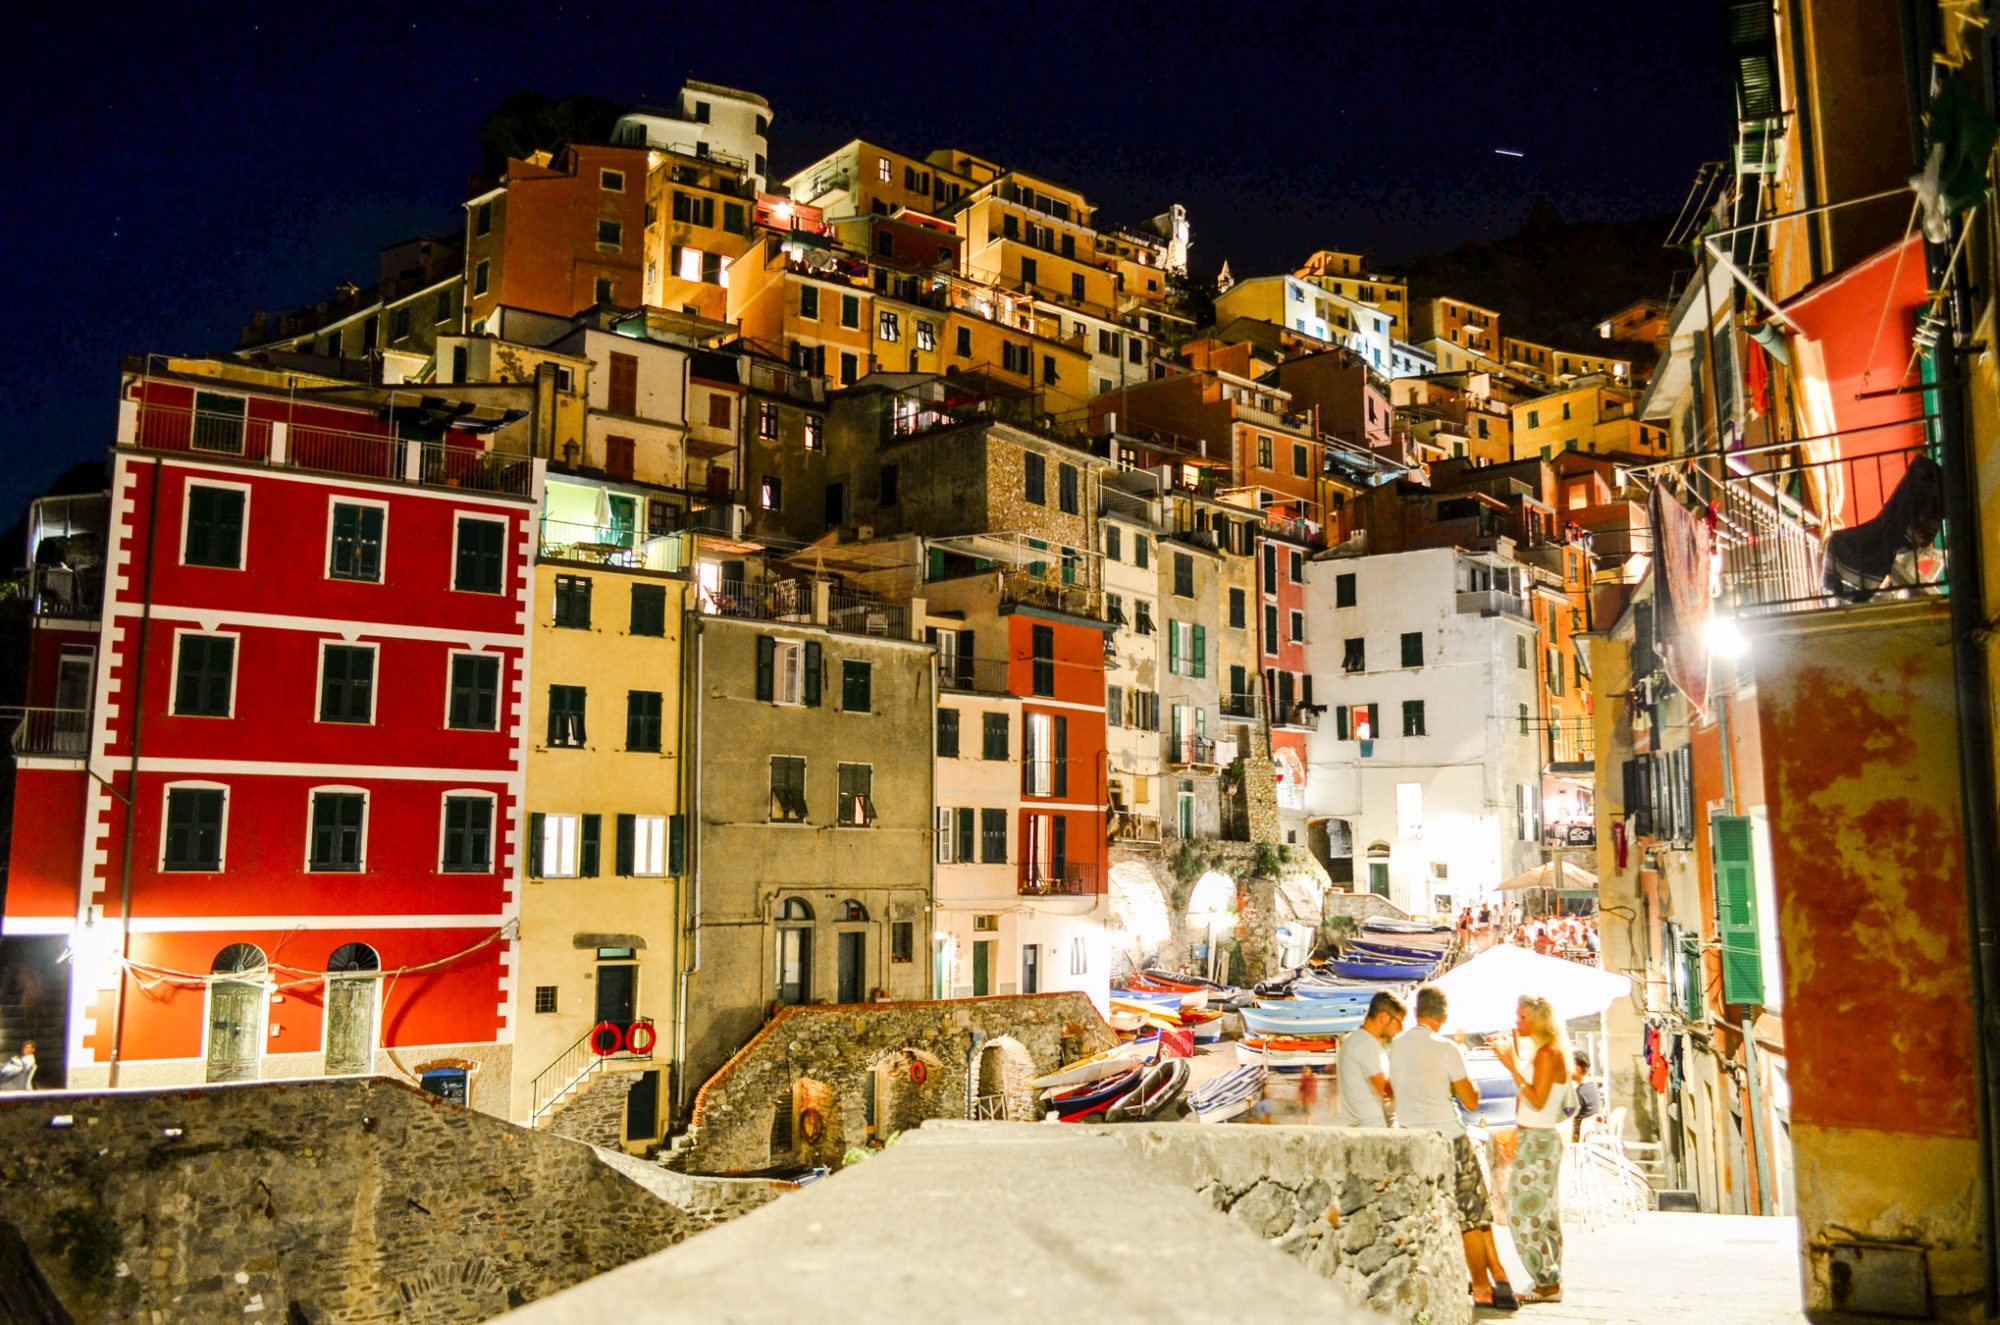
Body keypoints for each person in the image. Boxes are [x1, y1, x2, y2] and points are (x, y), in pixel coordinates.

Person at [1390, 986, 1517, 1311]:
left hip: (1411, 1138)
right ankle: (1481, 1288)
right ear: (1444, 1017)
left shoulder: (1397, 1046)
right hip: (1449, 1137)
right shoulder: (1447, 1048)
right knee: (1471, 1215)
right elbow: (1471, 1099)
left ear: (1417, 1013)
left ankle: (1499, 1276)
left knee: (1469, 1211)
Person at [1495, 997, 1572, 1305]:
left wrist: (1511, 1065)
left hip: (1539, 1143)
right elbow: (1536, 1104)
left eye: (1523, 1017)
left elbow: (1538, 1100)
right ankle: (1548, 1280)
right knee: (1542, 1213)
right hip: (1537, 1139)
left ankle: (1546, 1281)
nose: (1518, 1022)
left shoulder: (1547, 1054)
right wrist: (1516, 1135)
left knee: (1524, 1214)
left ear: (1539, 1020)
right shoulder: (1547, 1052)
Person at [1337, 991, 1406, 1127]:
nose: (1400, 1029)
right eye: (1399, 1022)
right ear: (1384, 1017)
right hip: (1375, 1130)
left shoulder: (1352, 1039)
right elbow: (1386, 1091)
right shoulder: (1366, 1044)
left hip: (1361, 1129)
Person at [1570, 1050, 1603, 1141]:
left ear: (1577, 1069)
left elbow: (1568, 1116)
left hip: (1574, 1136)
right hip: (1585, 1134)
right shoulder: (1591, 1086)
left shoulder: (1581, 1092)